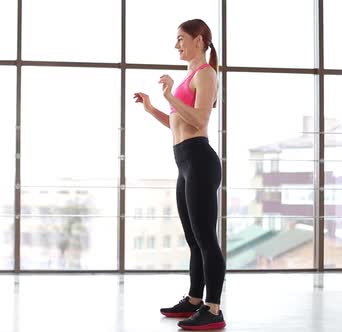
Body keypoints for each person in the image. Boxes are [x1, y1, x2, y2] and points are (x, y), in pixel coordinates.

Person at [134, 18, 226, 330]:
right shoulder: (189, 77)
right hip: (184, 162)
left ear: (199, 40)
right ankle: (194, 300)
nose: (177, 46)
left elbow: (199, 120)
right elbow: (178, 123)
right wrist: (152, 109)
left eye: (180, 39)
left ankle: (213, 310)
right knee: (192, 238)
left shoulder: (206, 74)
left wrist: (170, 96)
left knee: (205, 238)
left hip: (200, 160)